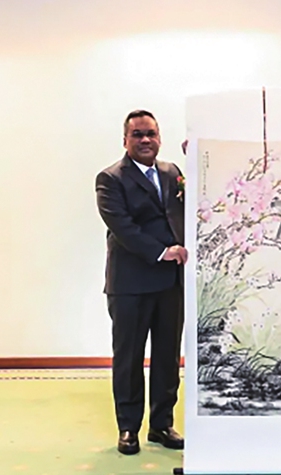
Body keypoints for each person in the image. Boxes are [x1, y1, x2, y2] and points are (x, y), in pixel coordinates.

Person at [95, 110, 188, 455]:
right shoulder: (109, 179)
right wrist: (163, 252)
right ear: (125, 141)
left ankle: (161, 424)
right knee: (129, 358)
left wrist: (199, 164)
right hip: (130, 284)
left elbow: (189, 210)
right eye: (137, 135)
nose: (145, 140)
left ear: (159, 137)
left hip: (170, 284)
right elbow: (123, 228)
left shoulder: (173, 172)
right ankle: (128, 428)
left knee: (167, 357)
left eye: (150, 133)